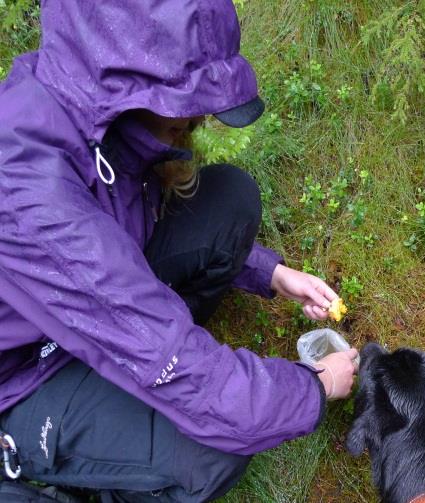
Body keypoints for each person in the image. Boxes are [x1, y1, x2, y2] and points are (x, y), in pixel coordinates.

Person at [0, 1, 359, 501]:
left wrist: (271, 273)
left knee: (232, 198)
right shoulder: (24, 186)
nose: (200, 119)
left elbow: (121, 241)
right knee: (210, 447)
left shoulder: (97, 114)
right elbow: (171, 360)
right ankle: (74, 472)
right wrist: (312, 388)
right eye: (187, 102)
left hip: (98, 312)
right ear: (125, 75)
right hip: (26, 377)